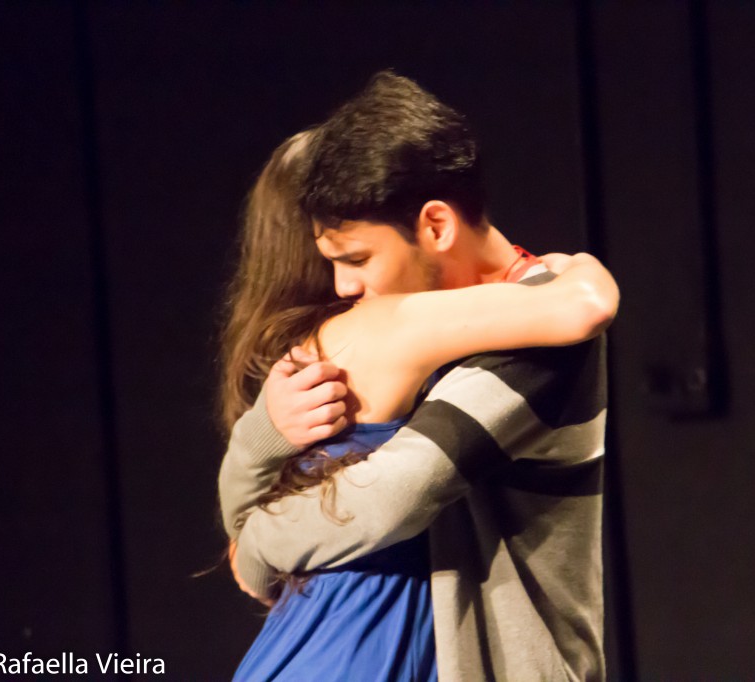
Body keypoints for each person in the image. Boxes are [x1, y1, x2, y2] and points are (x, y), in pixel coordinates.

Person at [220, 72, 611, 681]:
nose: (345, 286)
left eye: (357, 259)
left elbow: (391, 496)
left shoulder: (536, 332)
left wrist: (255, 545)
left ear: (435, 226)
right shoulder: (380, 326)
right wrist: (265, 432)